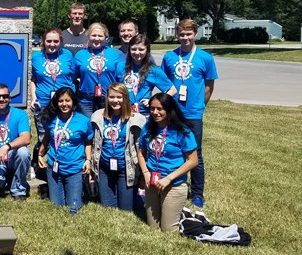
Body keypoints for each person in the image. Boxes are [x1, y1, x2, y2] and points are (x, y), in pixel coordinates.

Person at [161, 19, 218, 209]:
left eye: (188, 34)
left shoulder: (205, 58)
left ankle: (198, 193)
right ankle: (175, 184)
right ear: (177, 35)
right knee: (173, 149)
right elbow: (164, 84)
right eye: (181, 34)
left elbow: (209, 85)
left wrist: (200, 105)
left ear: (195, 34)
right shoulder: (169, 57)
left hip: (193, 113)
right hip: (173, 112)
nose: (185, 38)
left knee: (195, 153)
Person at [137, 93, 198, 232]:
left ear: (169, 110)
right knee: (152, 227)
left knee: (168, 231)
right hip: (152, 182)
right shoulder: (148, 127)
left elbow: (193, 161)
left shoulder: (182, 131)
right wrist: (145, 173)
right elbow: (140, 153)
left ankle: (185, 215)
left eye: (160, 109)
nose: (155, 112)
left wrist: (169, 178)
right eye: (152, 109)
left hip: (173, 184)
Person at [88, 83, 146, 211]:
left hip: (125, 168)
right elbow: (93, 143)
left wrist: (142, 174)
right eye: (112, 97)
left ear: (125, 98)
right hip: (104, 167)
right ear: (107, 98)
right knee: (108, 209)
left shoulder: (136, 119)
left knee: (126, 209)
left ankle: (139, 199)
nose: (115, 101)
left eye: (119, 97)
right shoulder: (97, 116)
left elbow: (141, 148)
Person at [37, 88, 92, 212]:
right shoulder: (51, 119)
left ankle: (80, 192)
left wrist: (88, 159)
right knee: (56, 208)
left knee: (74, 208)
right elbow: (46, 138)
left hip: (74, 168)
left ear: (73, 102)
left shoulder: (83, 121)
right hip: (54, 168)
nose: (64, 104)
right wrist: (40, 154)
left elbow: (88, 142)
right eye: (61, 101)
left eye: (67, 100)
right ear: (56, 102)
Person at [30, 28, 76, 140]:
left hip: (65, 101)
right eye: (48, 41)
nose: (52, 44)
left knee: (64, 134)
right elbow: (33, 79)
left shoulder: (67, 55)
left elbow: (73, 75)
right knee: (43, 136)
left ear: (60, 42)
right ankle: (41, 156)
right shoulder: (36, 57)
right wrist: (33, 97)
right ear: (43, 42)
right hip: (43, 101)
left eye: (56, 41)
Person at [74, 22, 123, 119]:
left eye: (100, 36)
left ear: (105, 37)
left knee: (107, 128)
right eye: (94, 35)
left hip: (108, 99)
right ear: (88, 36)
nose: (97, 38)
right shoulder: (80, 55)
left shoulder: (113, 54)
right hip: (86, 101)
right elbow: (72, 76)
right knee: (88, 129)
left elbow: (120, 78)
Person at [119, 34, 175, 117]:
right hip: (124, 112)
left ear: (147, 50)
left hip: (145, 114)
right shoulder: (120, 67)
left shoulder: (153, 70)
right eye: (133, 49)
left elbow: (172, 90)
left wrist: (155, 101)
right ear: (129, 50)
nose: (137, 52)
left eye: (141, 49)